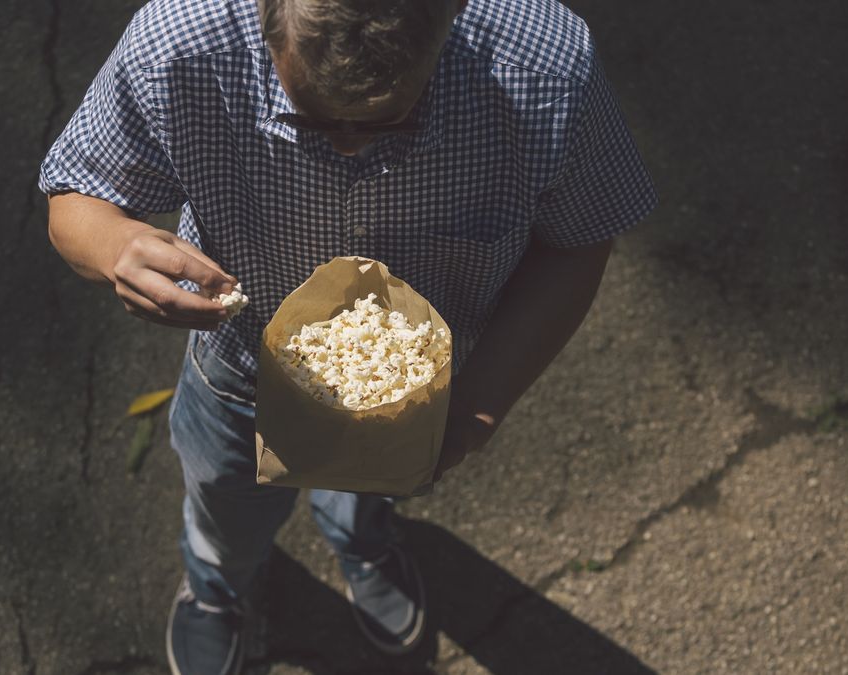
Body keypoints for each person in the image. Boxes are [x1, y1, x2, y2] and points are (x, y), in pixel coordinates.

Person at [41, 0, 655, 672]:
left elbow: (579, 241)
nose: (348, 147)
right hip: (238, 373)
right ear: (266, 18)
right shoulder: (179, 41)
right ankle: (218, 588)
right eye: (314, 117)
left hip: (412, 396)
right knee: (224, 506)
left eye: (390, 122)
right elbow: (77, 195)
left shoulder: (546, 69)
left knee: (367, 497)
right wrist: (116, 246)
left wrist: (478, 406)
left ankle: (363, 542)